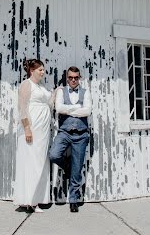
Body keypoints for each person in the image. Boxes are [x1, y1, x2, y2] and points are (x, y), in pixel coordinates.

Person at [13, 58, 55, 212]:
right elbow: (22, 108)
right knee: (30, 163)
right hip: (32, 129)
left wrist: (56, 93)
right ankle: (31, 201)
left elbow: (49, 104)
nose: (43, 72)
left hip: (43, 131)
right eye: (40, 70)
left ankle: (35, 198)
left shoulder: (41, 86)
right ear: (32, 71)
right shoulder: (26, 84)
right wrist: (27, 129)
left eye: (43, 69)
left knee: (40, 163)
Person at [49, 66, 92, 212]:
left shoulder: (85, 93)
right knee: (54, 154)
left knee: (77, 168)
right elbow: (59, 108)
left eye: (76, 78)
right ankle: (66, 165)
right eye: (71, 77)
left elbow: (88, 111)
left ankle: (74, 199)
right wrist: (77, 109)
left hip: (81, 134)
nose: (73, 80)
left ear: (79, 78)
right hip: (64, 132)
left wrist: (70, 109)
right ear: (67, 78)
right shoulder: (61, 91)